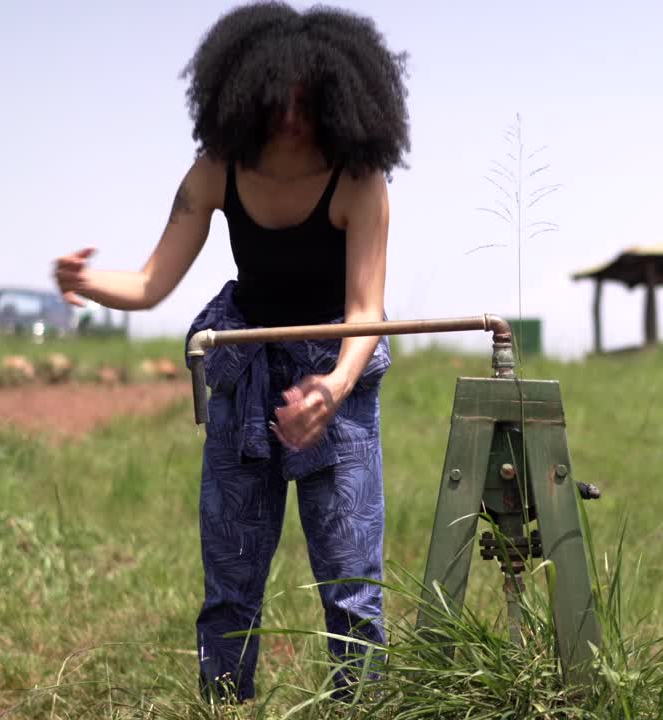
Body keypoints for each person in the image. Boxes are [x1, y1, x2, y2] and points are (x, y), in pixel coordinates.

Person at [52, 2, 411, 702]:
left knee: (352, 590)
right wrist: (86, 280)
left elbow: (367, 312)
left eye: (309, 101)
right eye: (279, 99)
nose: (292, 116)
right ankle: (222, 706)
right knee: (230, 586)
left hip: (333, 376)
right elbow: (152, 283)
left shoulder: (360, 181)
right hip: (244, 374)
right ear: (247, 93)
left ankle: (360, 708)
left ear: (340, 96)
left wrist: (332, 388)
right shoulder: (216, 170)